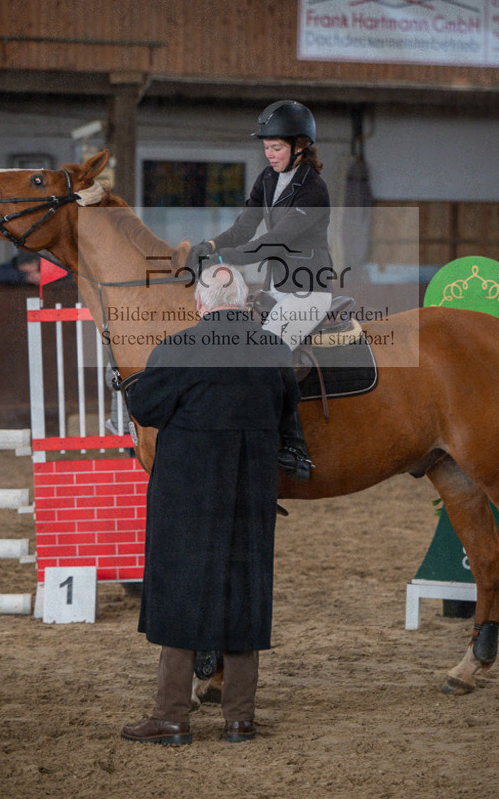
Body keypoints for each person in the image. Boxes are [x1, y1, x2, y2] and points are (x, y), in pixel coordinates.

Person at [121, 264, 300, 746]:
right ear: (243, 303)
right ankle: (239, 718)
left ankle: (172, 717)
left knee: (182, 592)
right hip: (252, 494)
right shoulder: (274, 348)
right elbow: (288, 413)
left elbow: (146, 409)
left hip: (187, 495)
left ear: (200, 304)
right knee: (245, 591)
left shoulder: (178, 347)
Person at [187, 99, 331, 461]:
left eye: (277, 147)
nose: (269, 154)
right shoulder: (268, 178)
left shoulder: (313, 189)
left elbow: (273, 242)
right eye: (266, 147)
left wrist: (221, 259)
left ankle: (295, 446)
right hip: (273, 290)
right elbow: (245, 227)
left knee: (267, 354)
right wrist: (211, 243)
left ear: (300, 147)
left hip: (308, 291)